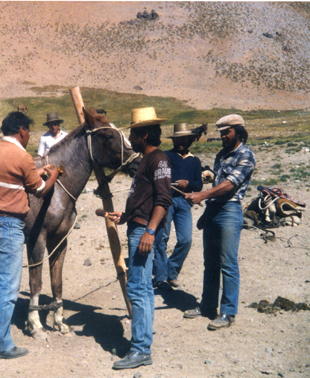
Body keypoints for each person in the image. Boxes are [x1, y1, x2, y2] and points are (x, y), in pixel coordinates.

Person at [0, 111, 60, 359]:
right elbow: (40, 191)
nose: (29, 137)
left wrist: (37, 170)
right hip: (8, 225)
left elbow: (13, 178)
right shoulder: (22, 156)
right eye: (28, 132)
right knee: (8, 287)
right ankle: (0, 346)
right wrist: (53, 174)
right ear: (22, 130)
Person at [106, 107, 172, 370]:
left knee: (139, 289)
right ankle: (141, 346)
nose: (130, 139)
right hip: (137, 226)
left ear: (144, 135)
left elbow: (164, 199)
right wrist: (126, 216)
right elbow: (147, 199)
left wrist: (150, 230)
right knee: (141, 288)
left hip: (144, 232)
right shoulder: (147, 160)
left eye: (132, 133)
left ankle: (141, 349)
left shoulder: (158, 160)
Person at [183, 114, 256, 330]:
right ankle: (207, 306)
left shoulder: (246, 155)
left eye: (227, 132)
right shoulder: (221, 155)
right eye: (221, 133)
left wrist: (201, 195)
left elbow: (229, 185)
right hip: (214, 210)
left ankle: (227, 312)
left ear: (239, 132)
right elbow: (218, 182)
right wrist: (206, 214)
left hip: (230, 211)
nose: (223, 136)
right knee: (210, 262)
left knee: (228, 263)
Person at [153, 123, 203, 291]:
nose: (180, 142)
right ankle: (160, 277)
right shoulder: (166, 156)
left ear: (189, 140)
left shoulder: (195, 161)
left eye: (184, 139)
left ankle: (171, 270)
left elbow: (199, 186)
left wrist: (188, 183)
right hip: (166, 200)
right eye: (178, 139)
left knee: (186, 240)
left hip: (184, 202)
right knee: (161, 238)